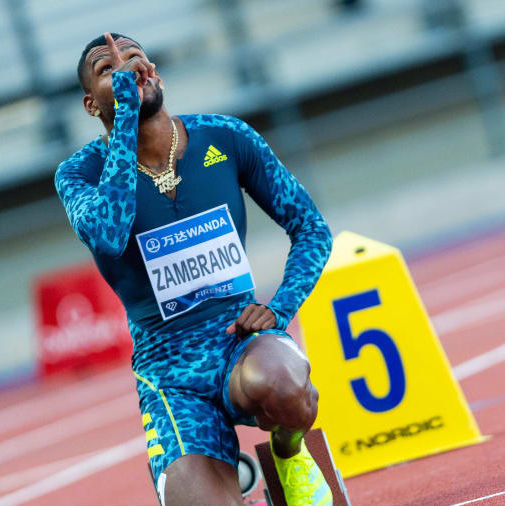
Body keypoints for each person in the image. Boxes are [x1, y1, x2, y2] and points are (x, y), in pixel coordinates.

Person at [55, 32, 334, 506]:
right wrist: (124, 118)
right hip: (169, 371)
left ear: (155, 73)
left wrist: (280, 308)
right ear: (89, 104)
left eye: (136, 59)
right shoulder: (79, 173)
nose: (127, 69)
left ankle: (288, 457)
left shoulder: (226, 136)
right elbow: (108, 233)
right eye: (108, 70)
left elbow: (311, 227)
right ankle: (193, 469)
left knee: (285, 384)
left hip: (240, 340)